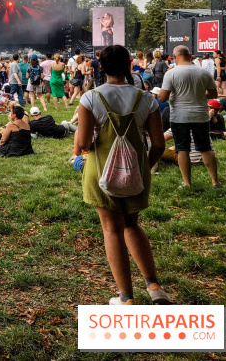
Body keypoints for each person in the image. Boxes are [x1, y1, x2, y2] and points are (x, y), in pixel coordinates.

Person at [75, 45, 171, 306]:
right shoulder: (146, 98)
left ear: (101, 67)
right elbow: (159, 144)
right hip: (136, 172)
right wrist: (145, 167)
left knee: (112, 230)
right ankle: (154, 286)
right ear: (130, 65)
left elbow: (83, 142)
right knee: (132, 224)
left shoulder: (91, 98)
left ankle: (126, 297)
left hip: (100, 172)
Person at [158, 45, 221, 189]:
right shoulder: (203, 72)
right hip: (200, 115)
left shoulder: (171, 73)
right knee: (205, 147)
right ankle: (215, 181)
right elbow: (213, 95)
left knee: (182, 149)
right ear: (190, 55)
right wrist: (199, 95)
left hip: (180, 117)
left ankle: (187, 183)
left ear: (174, 57)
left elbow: (162, 98)